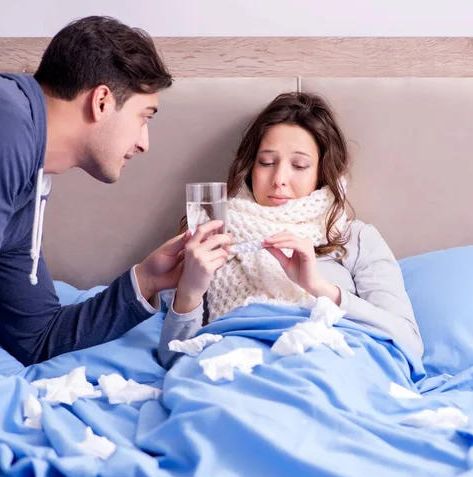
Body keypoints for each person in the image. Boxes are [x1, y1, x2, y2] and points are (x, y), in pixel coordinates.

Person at [0, 15, 191, 380]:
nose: (144, 143)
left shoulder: (22, 191)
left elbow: (36, 337)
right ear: (101, 101)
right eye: (144, 117)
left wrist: (145, 281)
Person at [158, 92, 423, 368]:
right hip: (235, 373)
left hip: (328, 369)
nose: (279, 179)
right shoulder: (212, 235)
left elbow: (409, 342)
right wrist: (190, 290)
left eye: (299, 165)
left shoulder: (353, 237)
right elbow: (173, 358)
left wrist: (320, 289)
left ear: (321, 172)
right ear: (250, 167)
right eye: (267, 162)